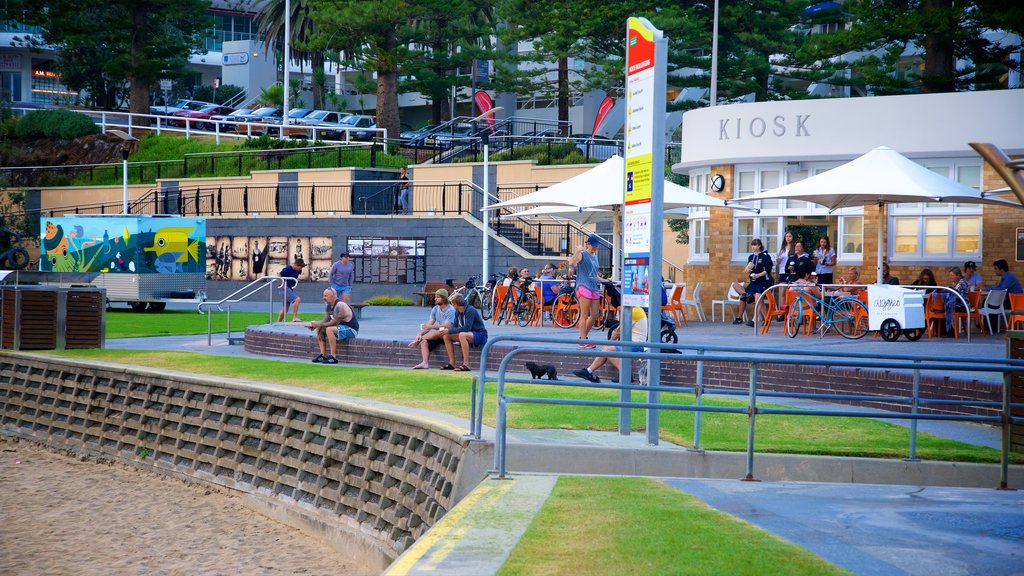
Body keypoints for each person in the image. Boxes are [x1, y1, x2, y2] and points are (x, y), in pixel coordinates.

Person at [573, 306, 648, 383]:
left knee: (607, 349)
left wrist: (609, 343)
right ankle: (588, 371)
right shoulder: (637, 310)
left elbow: (619, 331)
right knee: (606, 349)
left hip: (636, 344)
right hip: (633, 343)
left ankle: (626, 373)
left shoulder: (633, 312)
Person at [568, 234, 603, 347]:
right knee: (584, 314)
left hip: (593, 286)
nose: (595, 248)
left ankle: (583, 338)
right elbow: (571, 263)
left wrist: (605, 280)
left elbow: (594, 274)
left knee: (594, 314)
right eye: (593, 246)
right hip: (583, 285)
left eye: (596, 247)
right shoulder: (582, 255)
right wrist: (578, 251)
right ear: (588, 244)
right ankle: (583, 340)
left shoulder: (595, 256)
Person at [309, 288, 359, 364]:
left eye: (326, 296)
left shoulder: (340, 306)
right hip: (340, 328)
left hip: (351, 330)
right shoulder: (329, 306)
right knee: (320, 329)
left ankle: (333, 357)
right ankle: (323, 355)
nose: (323, 298)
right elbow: (325, 321)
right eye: (323, 296)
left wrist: (319, 324)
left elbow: (334, 323)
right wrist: (316, 325)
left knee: (329, 329)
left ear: (333, 296)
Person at [440, 293, 488, 371]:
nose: (452, 306)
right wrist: (446, 331)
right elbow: (455, 327)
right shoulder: (457, 312)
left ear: (455, 304)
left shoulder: (470, 310)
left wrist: (449, 330)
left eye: (452, 304)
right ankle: (452, 363)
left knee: (462, 335)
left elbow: (467, 328)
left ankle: (466, 364)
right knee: (446, 336)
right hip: (468, 334)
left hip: (480, 334)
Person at [408, 288, 455, 369]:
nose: (435, 299)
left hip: (450, 333)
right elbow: (429, 324)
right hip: (440, 335)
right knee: (424, 342)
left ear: (444, 298)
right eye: (435, 297)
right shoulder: (435, 309)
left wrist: (430, 327)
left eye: (437, 297)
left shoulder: (451, 310)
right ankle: (425, 363)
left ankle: (417, 341)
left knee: (437, 332)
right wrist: (420, 334)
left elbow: (447, 325)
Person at [277, 258, 304, 322]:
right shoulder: (288, 269)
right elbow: (278, 276)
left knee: (285, 309)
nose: (301, 269)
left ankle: (278, 323)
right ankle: (295, 317)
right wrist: (283, 286)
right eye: (300, 267)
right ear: (296, 265)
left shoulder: (297, 270)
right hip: (284, 289)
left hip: (289, 289)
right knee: (297, 299)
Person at [943, 267, 969, 333]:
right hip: (958, 304)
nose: (950, 277)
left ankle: (950, 330)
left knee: (946, 307)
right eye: (950, 275)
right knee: (943, 306)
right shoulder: (956, 283)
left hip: (963, 306)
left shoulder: (962, 283)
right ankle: (946, 330)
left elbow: (956, 295)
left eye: (952, 275)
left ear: (958, 276)